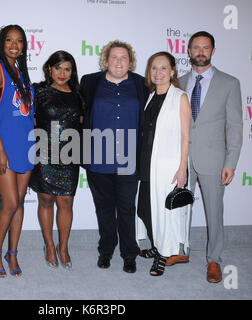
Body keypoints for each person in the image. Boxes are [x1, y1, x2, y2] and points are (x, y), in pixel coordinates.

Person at [166, 31, 243, 283]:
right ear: (188, 51)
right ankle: (181, 250)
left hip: (214, 158)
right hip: (183, 159)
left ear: (213, 51)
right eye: (196, 47)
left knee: (214, 211)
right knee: (179, 208)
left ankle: (214, 259)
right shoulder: (178, 82)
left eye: (205, 47)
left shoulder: (230, 83)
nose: (200, 51)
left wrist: (230, 162)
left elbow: (235, 126)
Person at [80, 40, 149, 273]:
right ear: (105, 60)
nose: (119, 61)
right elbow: (80, 114)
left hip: (130, 159)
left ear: (131, 61)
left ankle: (130, 254)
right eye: (114, 57)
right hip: (98, 157)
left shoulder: (141, 84)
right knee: (104, 209)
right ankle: (106, 250)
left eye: (124, 57)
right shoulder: (90, 82)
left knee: (127, 209)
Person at [0, 25, 35, 278]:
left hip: (25, 146)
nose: (14, 45)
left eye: (19, 41)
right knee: (11, 202)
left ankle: (12, 253)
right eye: (8, 40)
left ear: (24, 45)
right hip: (3, 147)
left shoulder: (22, 73)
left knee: (20, 203)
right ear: (1, 43)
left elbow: (28, 114)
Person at [137, 52, 192, 276]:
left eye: (163, 68)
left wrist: (182, 168)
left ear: (172, 71)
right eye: (153, 68)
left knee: (164, 211)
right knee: (145, 208)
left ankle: (163, 254)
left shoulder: (180, 97)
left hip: (168, 166)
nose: (158, 72)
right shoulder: (150, 96)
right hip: (147, 162)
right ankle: (157, 245)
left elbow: (185, 136)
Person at [29, 51, 84, 270]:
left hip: (70, 154)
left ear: (72, 71)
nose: (62, 73)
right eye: (58, 68)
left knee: (66, 202)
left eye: (67, 69)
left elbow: (81, 124)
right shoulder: (38, 91)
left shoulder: (79, 94)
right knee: (46, 200)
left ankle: (64, 247)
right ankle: (49, 245)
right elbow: (31, 121)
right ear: (49, 68)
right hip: (44, 153)